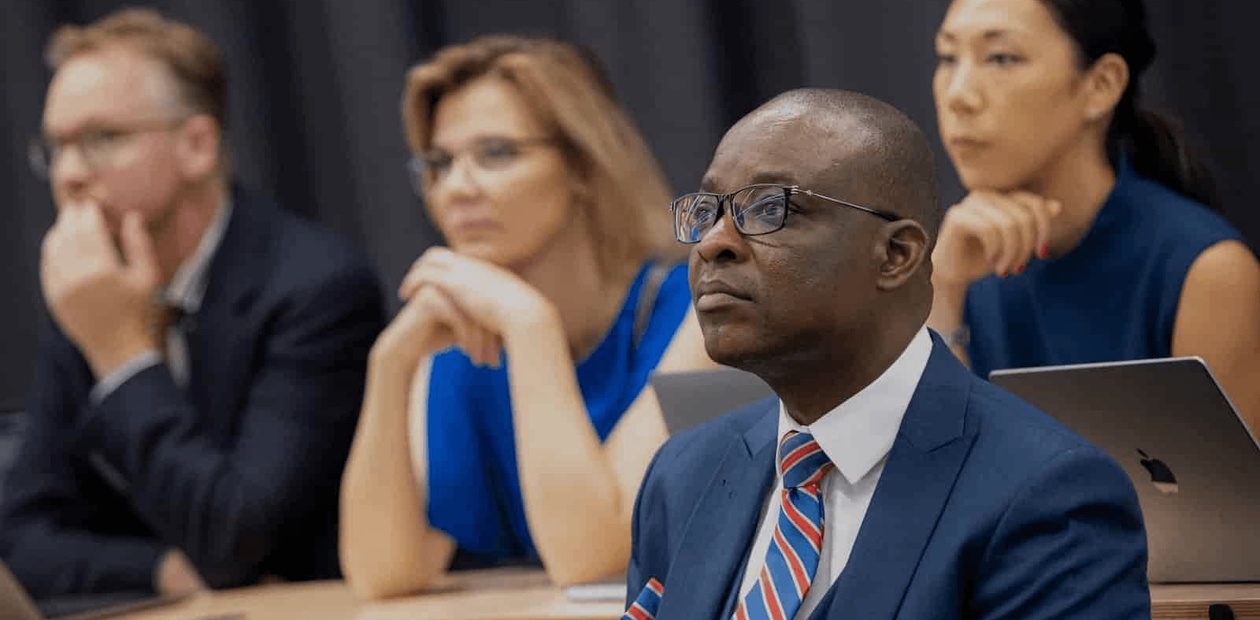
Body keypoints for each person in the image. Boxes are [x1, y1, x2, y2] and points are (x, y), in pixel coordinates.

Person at [624, 88, 1149, 619]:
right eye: (707, 211)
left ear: (896, 255)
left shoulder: (1049, 497)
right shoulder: (684, 475)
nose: (714, 242)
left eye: (769, 208)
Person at [0, 9, 385, 598]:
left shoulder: (317, 288)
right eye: (56, 148)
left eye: (102, 139)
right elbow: (23, 536)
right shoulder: (87, 289)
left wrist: (121, 354)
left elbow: (238, 539)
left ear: (197, 145)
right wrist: (164, 571)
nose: (69, 174)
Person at [339, 35, 711, 599]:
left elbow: (595, 559)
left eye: (496, 154)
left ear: (583, 164)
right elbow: (381, 573)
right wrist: (390, 364)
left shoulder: (702, 311)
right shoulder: (461, 343)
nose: (456, 189)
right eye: (439, 163)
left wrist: (531, 328)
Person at [927, 0, 1260, 429]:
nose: (958, 95)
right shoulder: (958, 262)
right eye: (948, 57)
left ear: (1102, 85)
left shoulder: (1204, 273)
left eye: (1001, 58)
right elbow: (936, 481)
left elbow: (1223, 496)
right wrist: (941, 291)